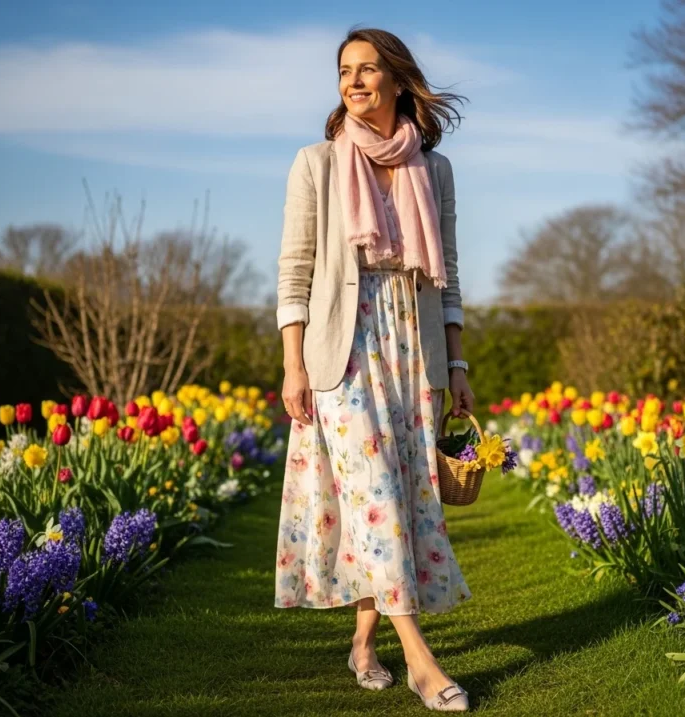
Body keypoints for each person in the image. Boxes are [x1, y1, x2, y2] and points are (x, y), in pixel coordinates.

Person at [272, 26, 475, 712]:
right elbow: (295, 271)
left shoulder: (434, 170)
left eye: (367, 69)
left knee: (400, 495)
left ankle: (364, 641)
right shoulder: (317, 164)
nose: (354, 81)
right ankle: (421, 660)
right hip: (344, 346)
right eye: (344, 71)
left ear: (397, 79)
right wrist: (292, 364)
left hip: (414, 348)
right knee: (374, 494)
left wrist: (458, 361)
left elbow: (447, 277)